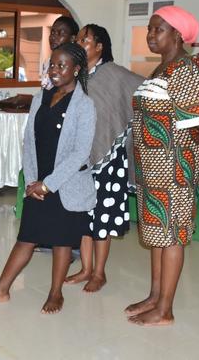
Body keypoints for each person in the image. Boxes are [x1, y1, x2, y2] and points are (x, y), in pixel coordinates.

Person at [0, 42, 96, 314]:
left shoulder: (84, 106)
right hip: (38, 182)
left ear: (76, 69)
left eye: (62, 65)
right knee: (26, 236)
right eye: (52, 64)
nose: (54, 70)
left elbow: (80, 153)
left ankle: (55, 293)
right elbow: (29, 141)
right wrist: (33, 181)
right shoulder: (41, 97)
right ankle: (1, 289)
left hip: (66, 184)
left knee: (62, 241)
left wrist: (49, 183)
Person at [125, 6, 199, 326]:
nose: (151, 35)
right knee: (156, 234)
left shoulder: (184, 69)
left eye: (157, 30)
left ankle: (166, 309)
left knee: (172, 235)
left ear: (178, 35)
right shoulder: (162, 68)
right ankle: (154, 296)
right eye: (150, 30)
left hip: (174, 171)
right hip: (152, 170)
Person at [65, 24, 143, 292]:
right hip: (80, 158)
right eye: (78, 39)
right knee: (83, 214)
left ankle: (99, 272)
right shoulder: (77, 76)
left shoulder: (114, 74)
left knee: (102, 216)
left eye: (84, 40)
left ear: (99, 46)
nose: (79, 43)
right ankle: (85, 268)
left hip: (109, 159)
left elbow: (144, 90)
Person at [40, 16, 79, 88]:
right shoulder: (47, 62)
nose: (53, 37)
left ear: (72, 38)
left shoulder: (76, 64)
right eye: (52, 32)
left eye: (60, 33)